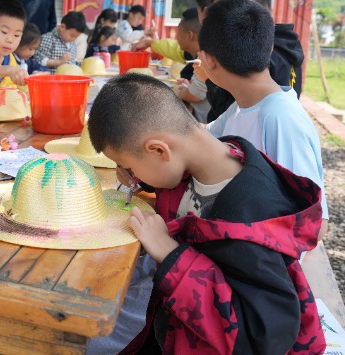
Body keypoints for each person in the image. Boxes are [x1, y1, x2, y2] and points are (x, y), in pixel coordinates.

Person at [87, 73, 325, 354]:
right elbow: (172, 176)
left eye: (130, 166)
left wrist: (170, 254)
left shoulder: (250, 218)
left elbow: (262, 338)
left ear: (159, 150)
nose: (130, 175)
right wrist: (145, 176)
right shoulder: (203, 161)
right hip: (177, 331)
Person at [199, 0, 329, 240]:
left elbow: (315, 224)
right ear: (269, 47)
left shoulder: (280, 118)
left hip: (261, 259)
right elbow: (203, 134)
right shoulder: (242, 105)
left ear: (207, 60)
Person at [197, 0, 304, 122]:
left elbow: (238, 115)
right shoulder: (282, 44)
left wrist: (208, 78)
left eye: (233, 14)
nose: (223, 24)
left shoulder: (263, 56)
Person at [171, 8, 210, 122]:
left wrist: (182, 92)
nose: (176, 36)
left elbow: (195, 94)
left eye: (178, 31)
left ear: (189, 35)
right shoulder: (200, 56)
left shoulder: (205, 57)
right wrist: (189, 86)